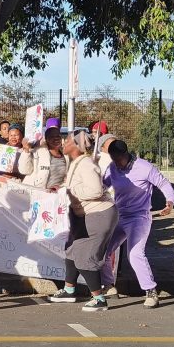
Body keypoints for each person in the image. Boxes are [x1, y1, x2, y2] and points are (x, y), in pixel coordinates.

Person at [100, 138, 174, 308]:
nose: (117, 164)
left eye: (119, 160)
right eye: (114, 160)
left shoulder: (144, 167)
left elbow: (163, 183)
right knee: (104, 250)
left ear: (125, 154)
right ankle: (109, 286)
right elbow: (102, 185)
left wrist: (169, 202)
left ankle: (151, 291)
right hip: (119, 216)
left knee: (134, 254)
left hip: (139, 218)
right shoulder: (112, 167)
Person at [48, 131, 118, 312]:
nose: (64, 142)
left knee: (85, 257)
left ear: (76, 145)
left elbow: (95, 191)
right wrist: (61, 188)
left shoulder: (86, 164)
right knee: (71, 251)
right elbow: (74, 186)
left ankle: (99, 299)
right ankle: (69, 290)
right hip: (85, 215)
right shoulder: (76, 163)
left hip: (98, 215)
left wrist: (70, 192)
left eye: (68, 140)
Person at [18, 126, 68, 190]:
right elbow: (24, 171)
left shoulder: (66, 155)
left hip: (55, 196)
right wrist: (26, 150)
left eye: (58, 136)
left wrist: (60, 187)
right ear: (46, 139)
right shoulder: (37, 152)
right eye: (52, 137)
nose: (56, 139)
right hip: (36, 193)